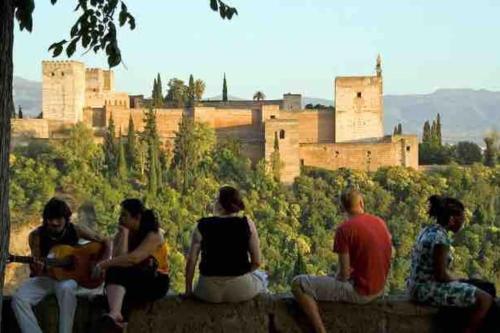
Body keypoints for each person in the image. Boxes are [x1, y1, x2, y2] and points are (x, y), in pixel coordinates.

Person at [292, 188, 392, 333]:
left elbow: (344, 274)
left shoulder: (344, 230)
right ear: (362, 203)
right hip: (380, 287)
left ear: (342, 208)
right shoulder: (379, 222)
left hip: (361, 292)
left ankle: (320, 330)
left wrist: (334, 277)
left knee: (298, 283)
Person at [11, 197, 112, 333]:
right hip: (46, 277)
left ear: (66, 218)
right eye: (50, 219)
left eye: (58, 219)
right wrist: (38, 268)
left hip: (69, 278)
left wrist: (101, 263)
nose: (54, 223)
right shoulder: (36, 236)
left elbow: (106, 241)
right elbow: (36, 267)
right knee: (19, 298)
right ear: (45, 219)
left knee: (66, 289)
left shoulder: (76, 230)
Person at [407, 195, 493, 333]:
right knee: (485, 299)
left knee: (484, 287)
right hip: (425, 289)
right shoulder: (440, 240)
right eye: (462, 218)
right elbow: (441, 275)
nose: (463, 222)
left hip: (415, 285)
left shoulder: (427, 230)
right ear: (452, 219)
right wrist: (460, 280)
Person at [93, 199, 170, 331]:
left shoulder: (154, 234)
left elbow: (133, 259)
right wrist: (124, 234)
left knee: (114, 276)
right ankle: (117, 317)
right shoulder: (125, 232)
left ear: (137, 217)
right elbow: (119, 259)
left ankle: (116, 316)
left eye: (124, 215)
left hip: (156, 279)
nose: (120, 218)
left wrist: (102, 265)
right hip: (136, 277)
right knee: (114, 273)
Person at [185, 186, 267, 303]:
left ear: (219, 204)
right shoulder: (247, 224)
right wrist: (240, 273)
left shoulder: (201, 225)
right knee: (263, 277)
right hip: (240, 289)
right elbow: (257, 262)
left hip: (207, 291)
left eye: (215, 200)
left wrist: (188, 290)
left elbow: (191, 261)